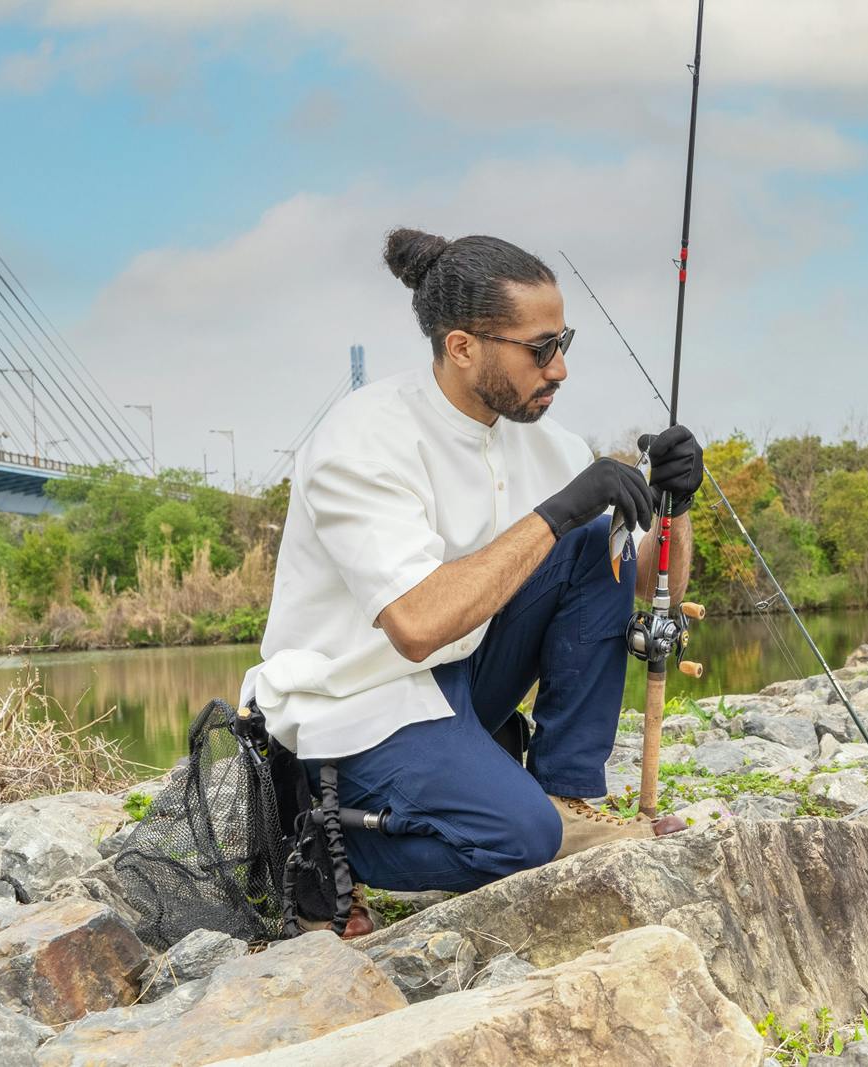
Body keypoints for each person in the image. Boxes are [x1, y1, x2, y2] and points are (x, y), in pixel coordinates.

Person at [241, 227, 702, 923]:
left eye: (564, 342)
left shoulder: (548, 442)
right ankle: (319, 835)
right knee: (519, 841)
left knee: (588, 538)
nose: (560, 369)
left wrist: (675, 507)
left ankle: (566, 794)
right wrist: (558, 509)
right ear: (462, 347)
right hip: (358, 702)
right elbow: (417, 626)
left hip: (463, 680)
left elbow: (644, 581)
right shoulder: (361, 440)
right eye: (540, 349)